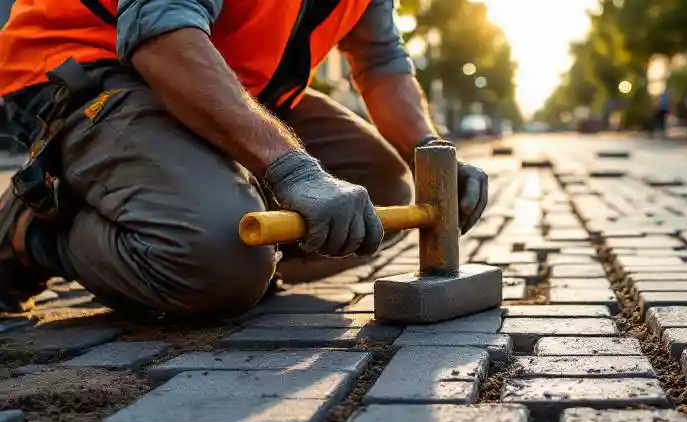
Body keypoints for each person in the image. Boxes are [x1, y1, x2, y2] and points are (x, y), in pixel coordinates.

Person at [0, 0, 489, 318]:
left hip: (227, 83)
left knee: (381, 187)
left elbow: (381, 61)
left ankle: (220, 225)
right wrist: (292, 169)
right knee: (216, 258)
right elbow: (162, 38)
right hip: (95, 70)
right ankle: (31, 231)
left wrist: (430, 150)